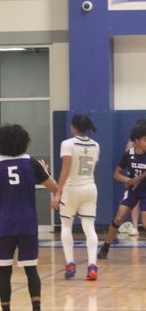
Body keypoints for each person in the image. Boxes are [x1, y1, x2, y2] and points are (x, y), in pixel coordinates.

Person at [0, 124, 58, 311]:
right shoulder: (30, 162)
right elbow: (54, 188)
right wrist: (46, 172)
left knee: (4, 273)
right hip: (27, 223)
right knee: (31, 270)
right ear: (23, 141)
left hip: (4, 224)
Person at [52, 115, 100, 281]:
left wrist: (58, 192)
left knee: (66, 225)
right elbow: (93, 168)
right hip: (90, 187)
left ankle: (70, 263)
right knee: (89, 227)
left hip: (72, 189)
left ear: (73, 127)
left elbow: (65, 169)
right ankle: (92, 266)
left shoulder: (67, 144)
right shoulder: (96, 145)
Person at [98, 123, 146, 259]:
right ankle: (105, 247)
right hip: (133, 191)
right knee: (118, 218)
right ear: (136, 141)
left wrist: (140, 178)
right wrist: (128, 180)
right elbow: (116, 174)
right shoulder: (128, 155)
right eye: (145, 139)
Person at [122, 118, 146, 237]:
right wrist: (129, 179)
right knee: (134, 201)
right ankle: (135, 226)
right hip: (134, 174)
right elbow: (127, 154)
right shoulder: (134, 141)